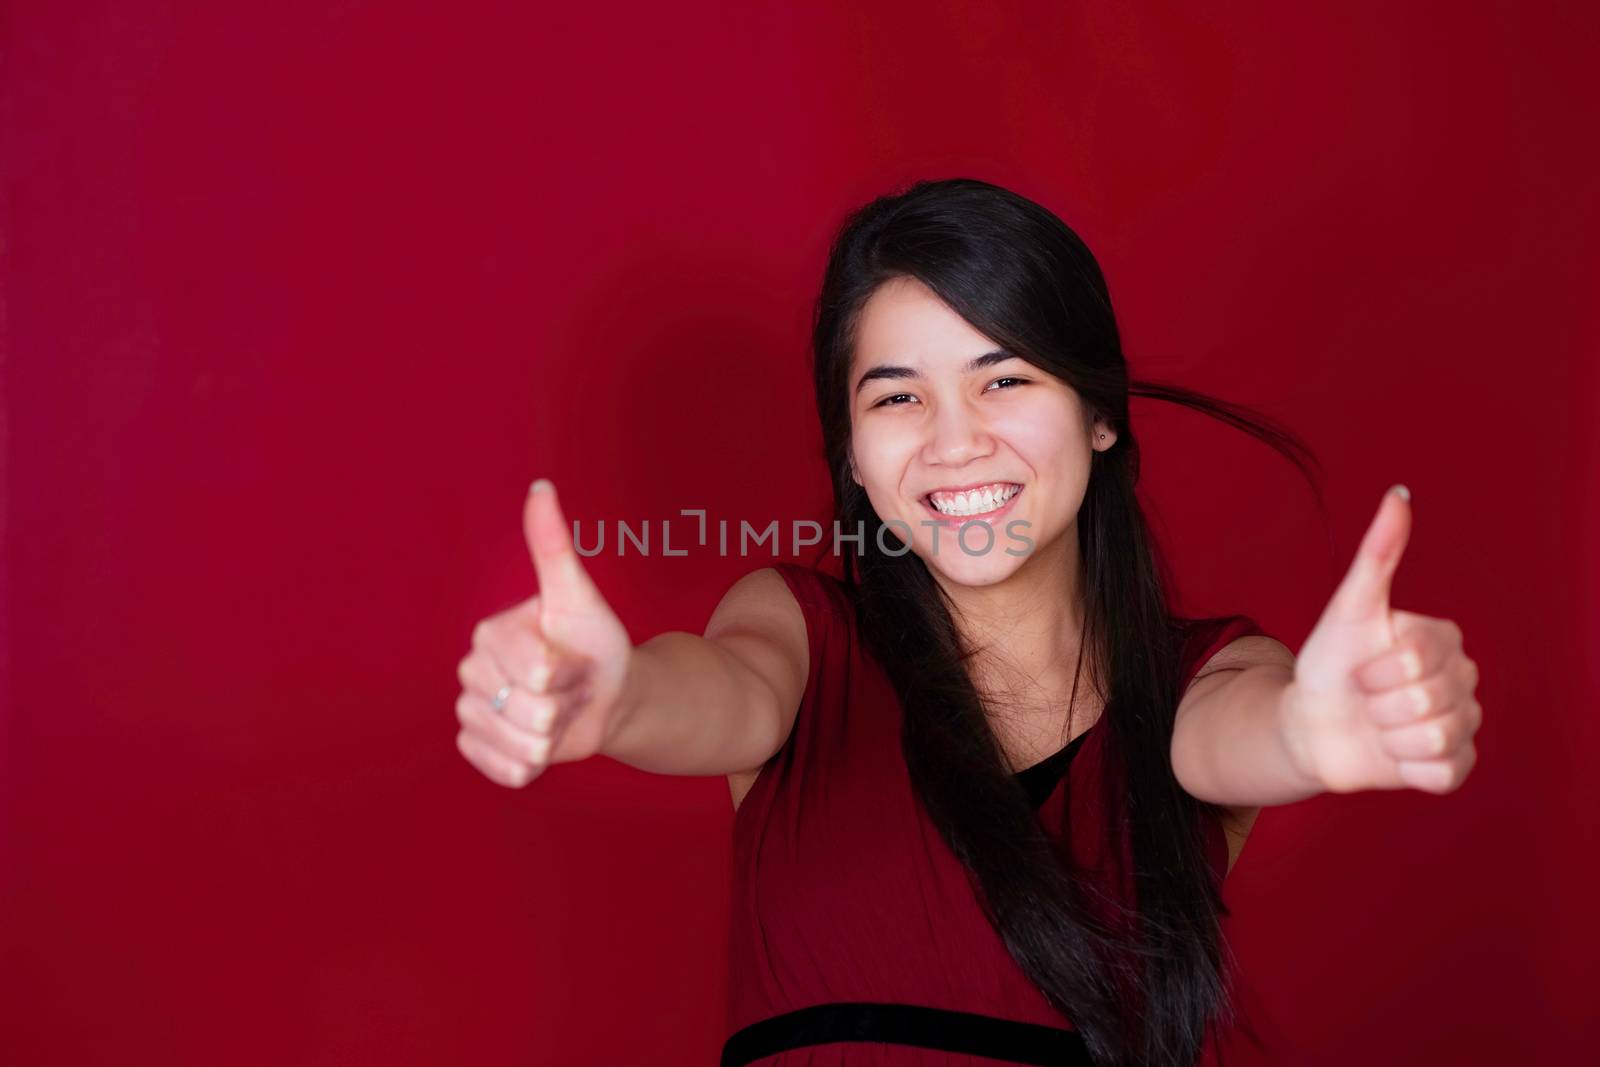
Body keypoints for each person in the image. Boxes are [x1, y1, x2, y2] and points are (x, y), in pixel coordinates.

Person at [453, 179, 1482, 1066]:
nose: (956, 442)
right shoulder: (799, 634)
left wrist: (1315, 729)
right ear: (851, 452)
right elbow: (716, 691)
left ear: (1099, 410)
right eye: (897, 398)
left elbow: (1244, 733)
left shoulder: (1206, 676)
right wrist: (613, 694)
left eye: (1003, 378)